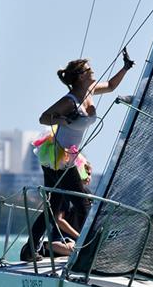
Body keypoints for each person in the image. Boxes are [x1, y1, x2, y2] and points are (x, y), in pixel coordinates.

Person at [20, 49, 134, 261]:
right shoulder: (70, 101)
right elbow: (43, 118)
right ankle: (85, 248)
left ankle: (29, 250)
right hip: (57, 157)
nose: (93, 73)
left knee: (55, 206)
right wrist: (61, 120)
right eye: (90, 70)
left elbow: (110, 86)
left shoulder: (89, 91)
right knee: (84, 202)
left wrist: (125, 68)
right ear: (81, 76)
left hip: (69, 155)